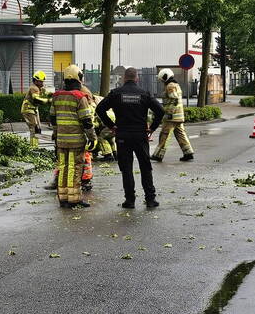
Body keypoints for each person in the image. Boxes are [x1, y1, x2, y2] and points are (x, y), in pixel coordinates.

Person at [96, 67, 165, 208]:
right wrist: (151, 128)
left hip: (122, 136)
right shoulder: (144, 94)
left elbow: (99, 109)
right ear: (137, 78)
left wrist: (111, 125)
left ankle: (130, 200)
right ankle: (150, 199)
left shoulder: (116, 93)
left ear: (123, 78)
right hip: (140, 135)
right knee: (145, 167)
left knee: (126, 168)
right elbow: (160, 110)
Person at [50, 64, 97, 208]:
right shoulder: (79, 97)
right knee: (75, 168)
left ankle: (63, 198)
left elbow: (52, 119)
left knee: (63, 167)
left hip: (61, 141)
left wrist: (56, 134)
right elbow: (86, 121)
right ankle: (74, 199)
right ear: (79, 78)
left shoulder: (56, 97)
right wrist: (93, 138)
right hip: (76, 141)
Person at [152, 68, 194, 162]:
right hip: (178, 116)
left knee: (164, 135)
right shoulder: (176, 85)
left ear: (165, 76)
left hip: (172, 117)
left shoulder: (170, 86)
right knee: (180, 134)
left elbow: (174, 99)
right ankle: (188, 152)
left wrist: (169, 113)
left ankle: (158, 155)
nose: (162, 81)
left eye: (162, 79)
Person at [20, 70, 50, 148]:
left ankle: (35, 145)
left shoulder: (40, 88)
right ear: (35, 81)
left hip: (34, 110)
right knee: (34, 128)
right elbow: (36, 99)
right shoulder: (33, 88)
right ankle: (33, 147)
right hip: (28, 109)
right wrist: (48, 101)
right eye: (40, 82)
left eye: (42, 82)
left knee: (38, 128)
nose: (42, 83)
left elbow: (47, 94)